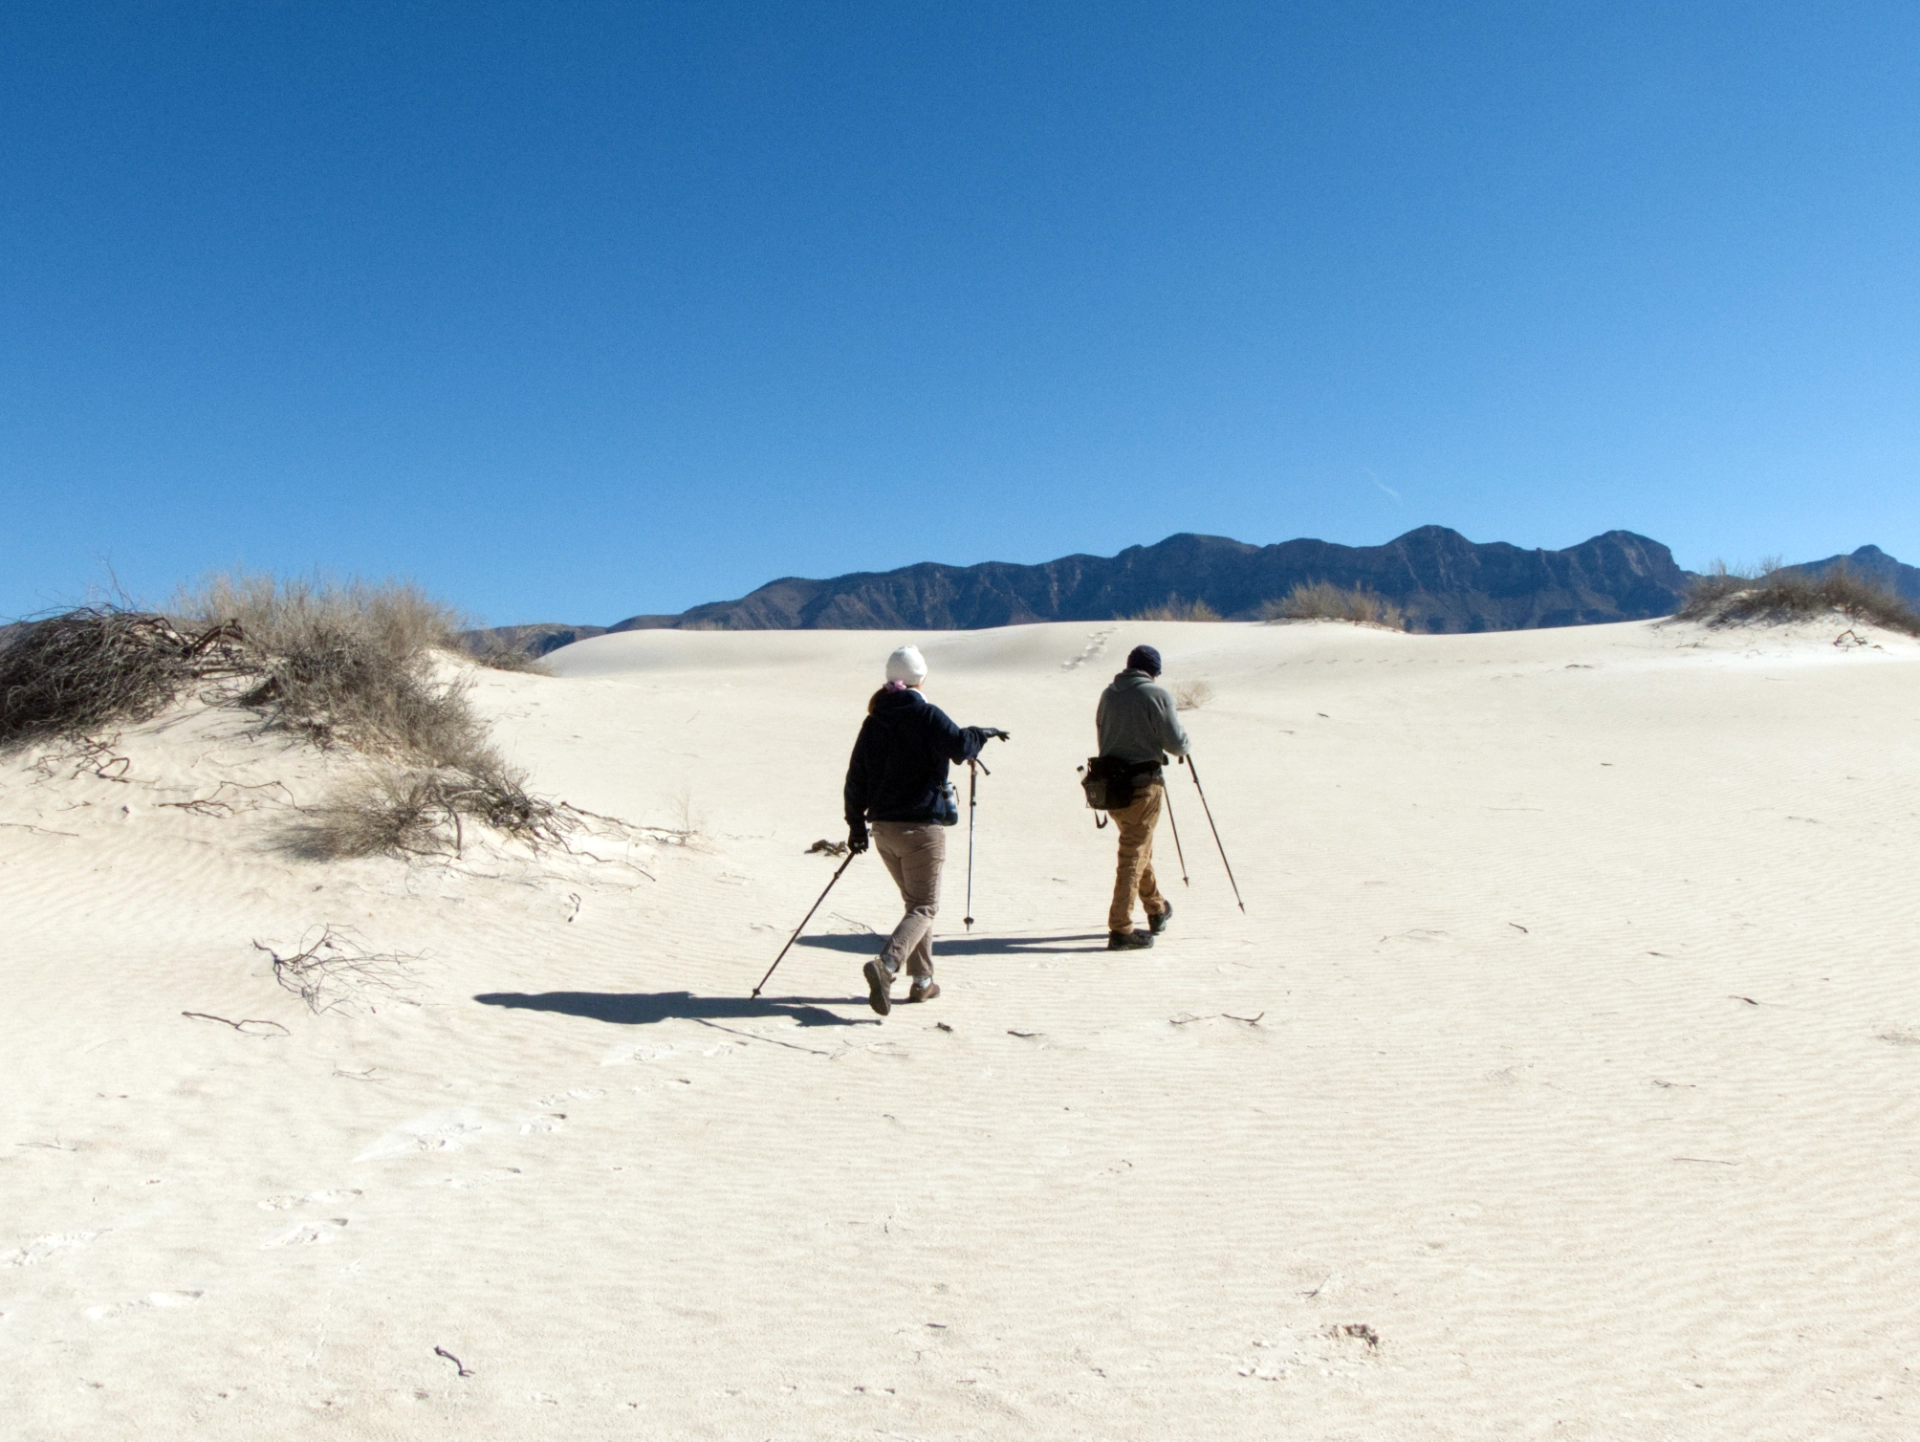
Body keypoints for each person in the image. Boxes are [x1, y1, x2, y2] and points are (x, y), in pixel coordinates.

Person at [844, 645, 1007, 1015]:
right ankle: (887, 965)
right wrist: (981, 734)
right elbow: (961, 746)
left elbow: (856, 779)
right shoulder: (927, 714)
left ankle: (922, 982)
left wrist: (856, 825)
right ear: (920, 678)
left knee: (915, 905)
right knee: (924, 906)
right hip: (920, 830)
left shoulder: (873, 721)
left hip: (883, 830)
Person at [1095, 643, 1190, 950]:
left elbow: (1103, 736)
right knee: (1133, 854)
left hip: (1110, 787)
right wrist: (1185, 744)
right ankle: (1121, 928)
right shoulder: (1155, 695)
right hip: (1143, 786)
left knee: (1137, 846)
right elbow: (1176, 743)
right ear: (1153, 672)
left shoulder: (1108, 695)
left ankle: (1157, 908)